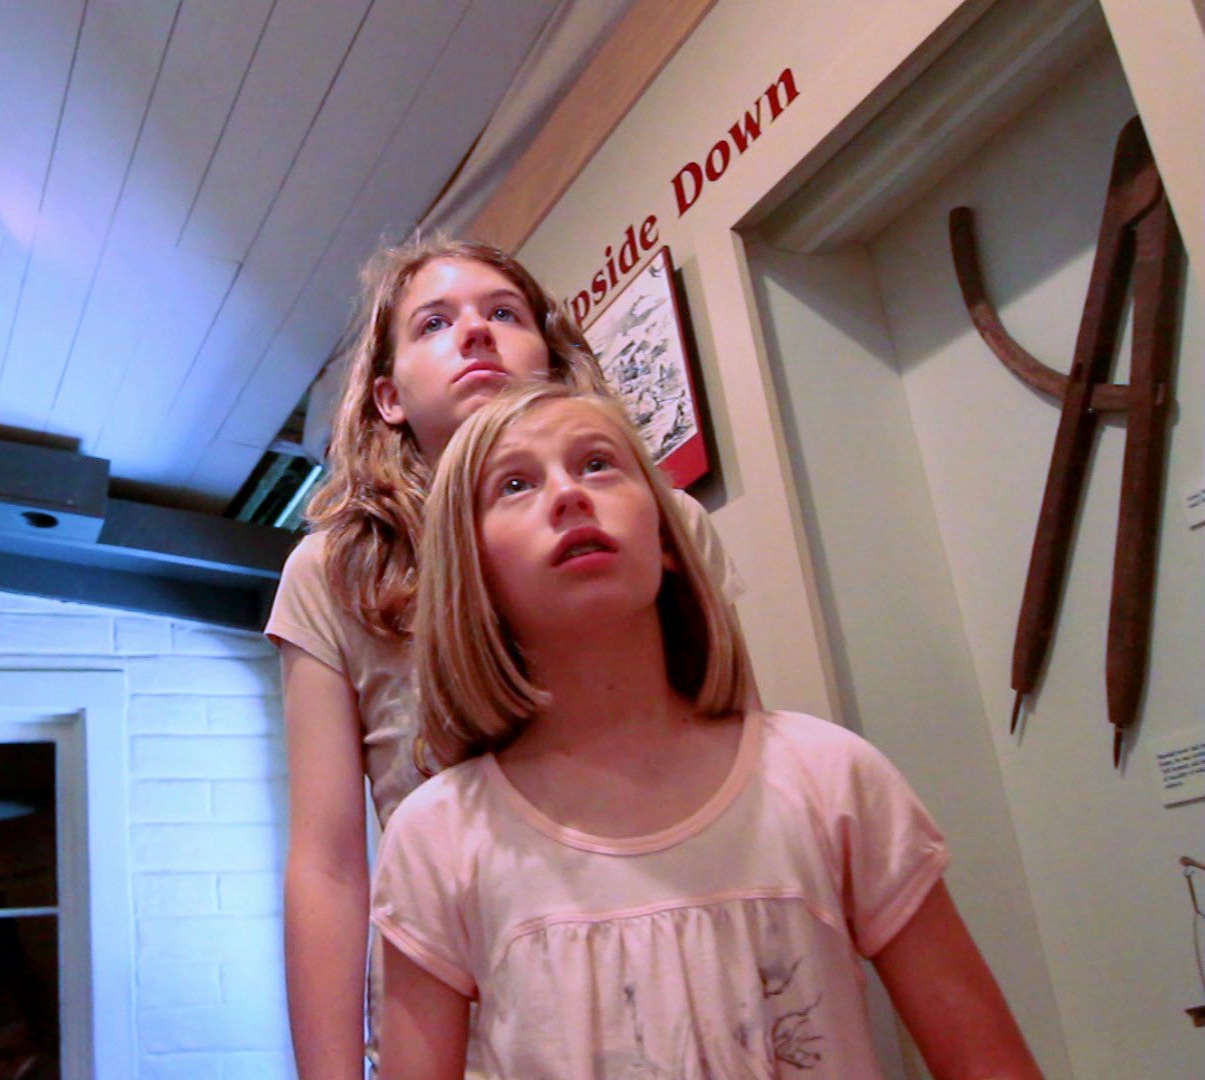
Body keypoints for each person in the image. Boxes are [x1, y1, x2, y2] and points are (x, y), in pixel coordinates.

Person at [372, 382, 1042, 1079]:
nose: (569, 494)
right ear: (472, 572)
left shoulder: (831, 779)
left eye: (597, 464)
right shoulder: (439, 838)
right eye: (515, 484)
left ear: (666, 537)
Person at [265, 236, 745, 1076]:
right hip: (469, 1012)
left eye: (504, 313)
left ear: (551, 363)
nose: (476, 332)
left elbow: (740, 755)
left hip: (683, 977)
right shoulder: (333, 571)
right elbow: (328, 864)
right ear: (389, 397)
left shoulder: (663, 529)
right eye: (434, 324)